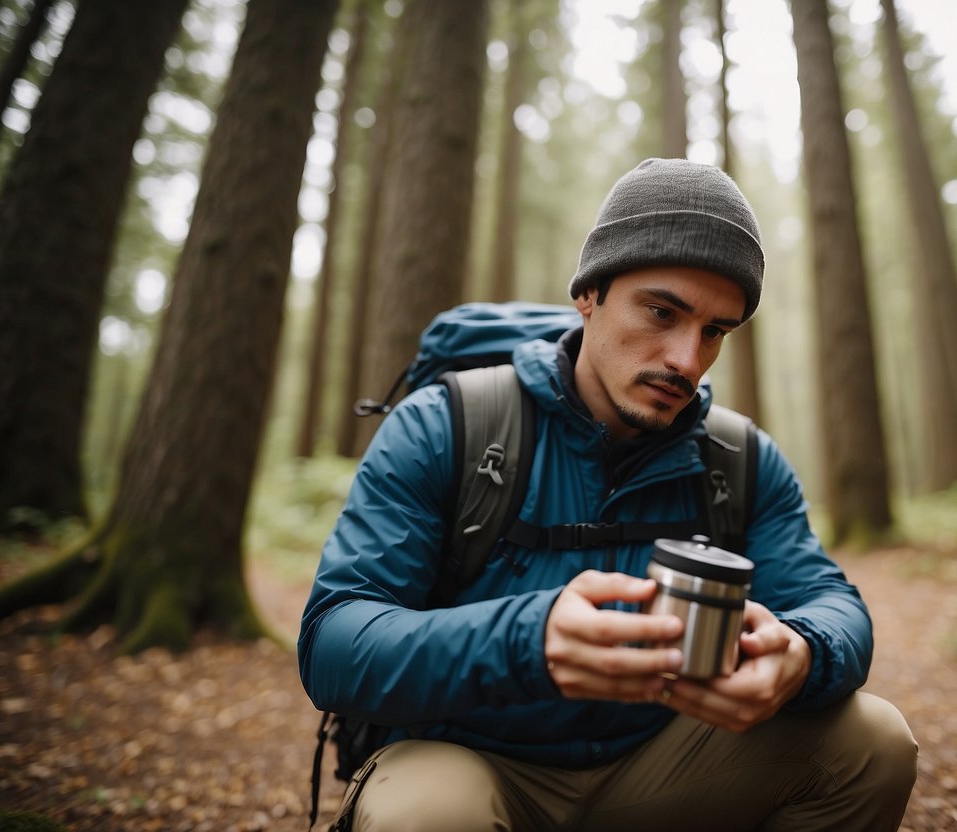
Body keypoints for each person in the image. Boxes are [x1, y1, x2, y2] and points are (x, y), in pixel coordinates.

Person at [298, 158, 917, 831]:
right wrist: (527, 641)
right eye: (661, 311)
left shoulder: (738, 460)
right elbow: (335, 643)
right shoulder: (447, 426)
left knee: (870, 743)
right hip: (472, 766)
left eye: (714, 331)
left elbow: (832, 604)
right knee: (422, 815)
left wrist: (801, 654)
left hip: (657, 768)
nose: (686, 358)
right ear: (589, 293)